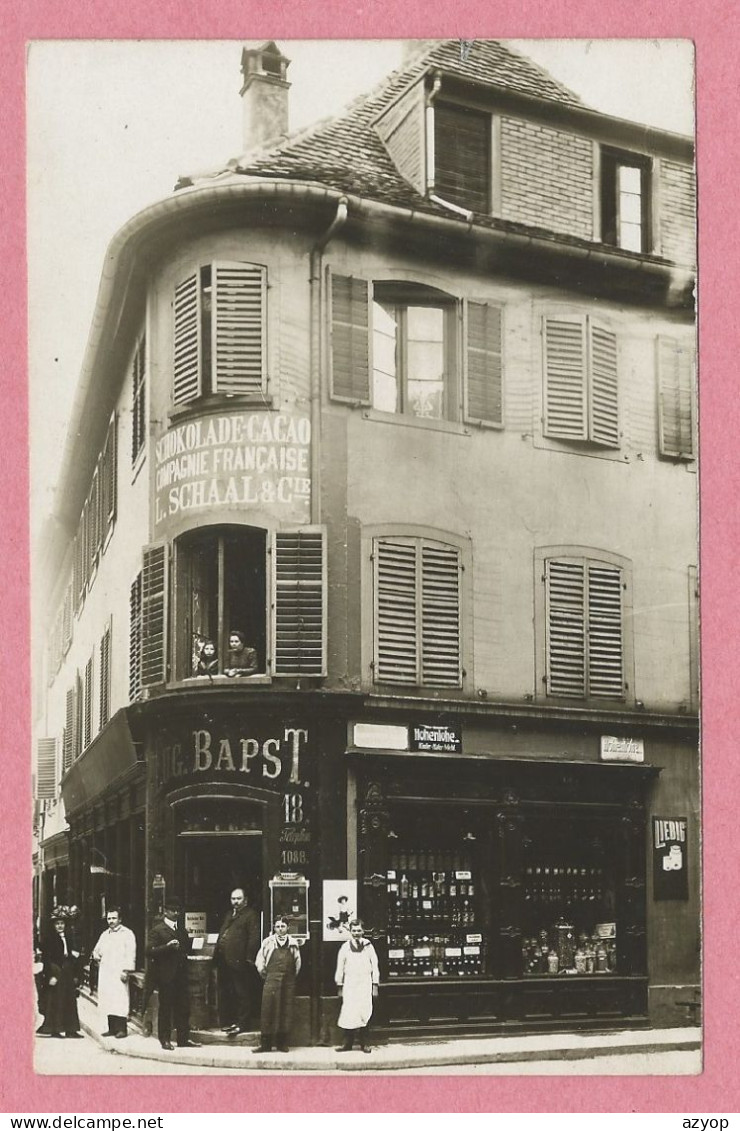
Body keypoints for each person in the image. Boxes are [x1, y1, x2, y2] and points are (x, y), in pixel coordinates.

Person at [145, 897, 201, 1051]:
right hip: (165, 976)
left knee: (183, 1007)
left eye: (178, 910)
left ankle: (183, 1039)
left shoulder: (181, 930)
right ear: (165, 911)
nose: (176, 913)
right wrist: (167, 947)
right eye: (172, 910)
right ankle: (165, 1040)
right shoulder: (157, 930)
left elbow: (186, 949)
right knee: (166, 1008)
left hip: (181, 975)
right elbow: (149, 951)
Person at [213, 887, 260, 1037]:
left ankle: (242, 1024)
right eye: (233, 899)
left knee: (242, 992)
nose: (235, 902)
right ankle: (229, 1022)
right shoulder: (229, 914)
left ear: (245, 900)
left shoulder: (250, 915)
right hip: (224, 960)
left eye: (238, 899)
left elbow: (253, 938)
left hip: (239, 961)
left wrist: (248, 958)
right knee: (227, 992)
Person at [253, 918, 301, 1053]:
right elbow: (260, 960)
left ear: (288, 928)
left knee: (285, 1010)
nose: (280, 929)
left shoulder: (293, 943)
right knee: (268, 1009)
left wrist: (290, 976)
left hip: (288, 981)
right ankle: (265, 1045)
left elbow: (297, 962)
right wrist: (265, 974)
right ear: (274, 928)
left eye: (283, 926)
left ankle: (282, 1043)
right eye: (278, 926)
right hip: (271, 979)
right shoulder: (268, 942)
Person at [334, 919, 379, 1053]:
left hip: (364, 983)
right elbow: (340, 967)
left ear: (363, 931)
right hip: (350, 984)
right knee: (349, 1011)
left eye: (359, 930)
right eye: (354, 930)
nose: (356, 933)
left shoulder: (369, 946)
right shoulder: (345, 947)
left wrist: (375, 985)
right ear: (350, 931)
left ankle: (365, 1043)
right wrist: (340, 985)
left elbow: (375, 967)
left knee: (364, 1011)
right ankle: (347, 1043)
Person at [91, 906, 136, 1038]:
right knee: (108, 999)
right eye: (109, 918)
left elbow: (131, 953)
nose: (111, 921)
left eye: (114, 918)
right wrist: (96, 956)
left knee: (119, 999)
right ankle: (112, 1028)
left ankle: (122, 1029)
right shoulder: (105, 934)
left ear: (120, 919)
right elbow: (96, 950)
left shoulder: (127, 934)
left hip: (119, 972)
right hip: (106, 972)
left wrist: (126, 971)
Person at [39, 913, 83, 1038]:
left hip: (67, 972)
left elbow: (73, 955)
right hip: (56, 972)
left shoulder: (69, 937)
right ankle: (55, 1029)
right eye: (57, 924)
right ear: (54, 925)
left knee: (70, 1000)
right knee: (56, 1001)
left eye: (62, 923)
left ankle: (71, 1030)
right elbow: (46, 959)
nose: (60, 926)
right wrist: (50, 976)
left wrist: (75, 974)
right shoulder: (49, 939)